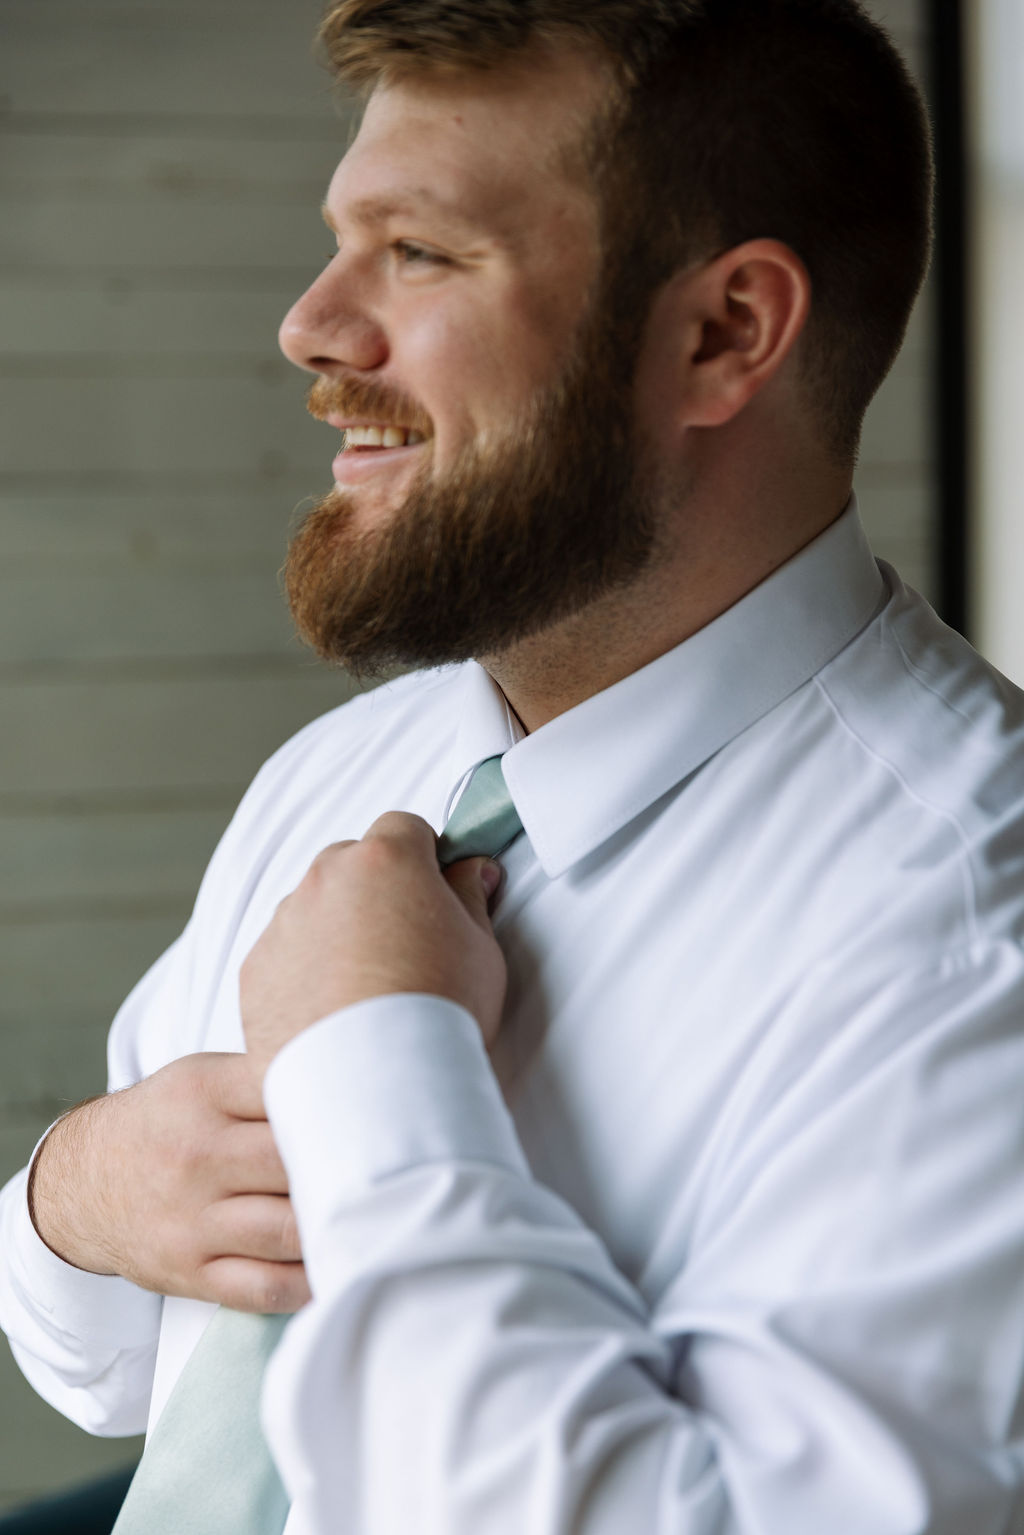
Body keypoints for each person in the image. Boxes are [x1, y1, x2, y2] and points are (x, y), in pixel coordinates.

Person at [2, 1, 1023, 1531]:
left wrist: (383, 1059)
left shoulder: (968, 933)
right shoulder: (343, 771)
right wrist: (72, 1198)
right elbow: (127, 1373)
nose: (312, 324)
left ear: (723, 333)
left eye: (418, 253)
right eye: (343, 239)